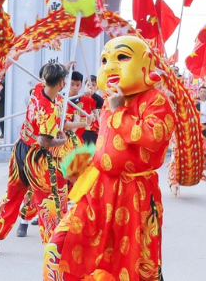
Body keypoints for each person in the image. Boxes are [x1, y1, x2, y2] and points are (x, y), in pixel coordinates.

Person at [43, 35, 177, 281]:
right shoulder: (109, 100)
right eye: (105, 60)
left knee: (131, 265)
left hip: (134, 194)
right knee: (60, 246)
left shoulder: (156, 100)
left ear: (145, 62)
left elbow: (152, 135)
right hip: (99, 189)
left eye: (122, 57)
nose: (110, 66)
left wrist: (119, 111)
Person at [0, 63, 72, 254]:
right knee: (47, 199)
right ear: (60, 82)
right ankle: (53, 245)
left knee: (12, 195)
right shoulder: (48, 110)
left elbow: (47, 80)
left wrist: (61, 69)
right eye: (63, 80)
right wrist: (61, 141)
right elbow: (44, 142)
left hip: (20, 150)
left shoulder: (37, 90)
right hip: (37, 158)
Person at [66, 71, 97, 147]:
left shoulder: (86, 100)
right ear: (67, 83)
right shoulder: (60, 99)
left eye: (77, 85)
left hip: (80, 141)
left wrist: (93, 94)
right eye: (72, 84)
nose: (75, 87)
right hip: (64, 142)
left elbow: (102, 104)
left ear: (81, 86)